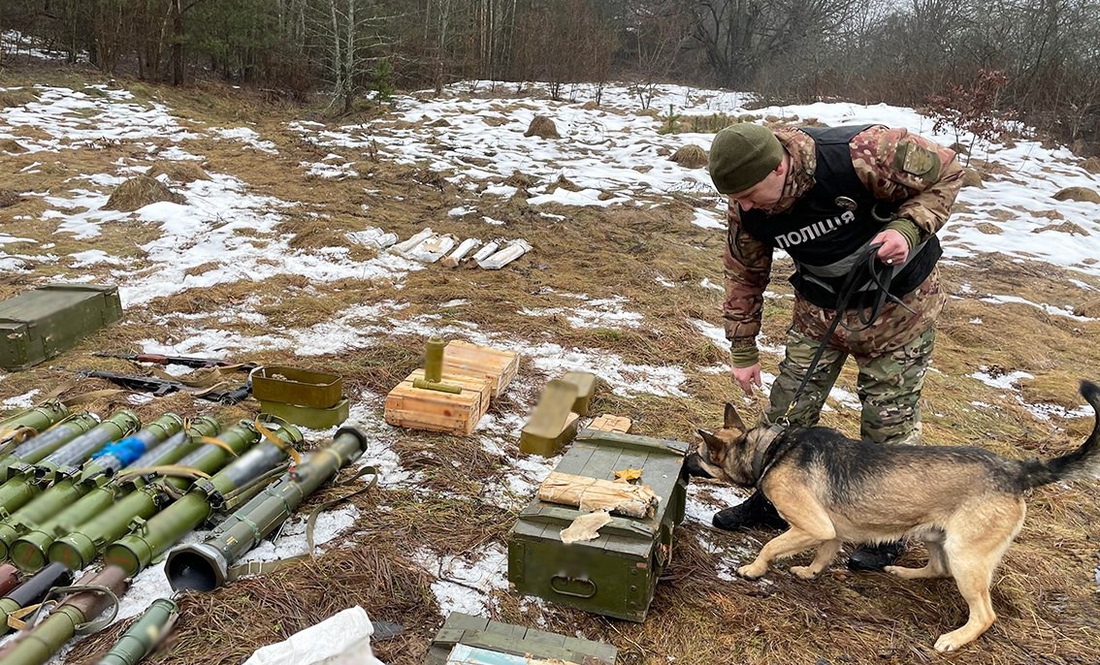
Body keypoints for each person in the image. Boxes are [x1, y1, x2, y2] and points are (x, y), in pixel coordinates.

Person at [707, 122, 963, 571]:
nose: (743, 205)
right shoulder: (746, 206)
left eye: (749, 193)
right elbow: (745, 273)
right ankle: (775, 501)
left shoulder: (860, 152)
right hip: (819, 311)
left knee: (888, 425)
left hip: (897, 309)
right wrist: (743, 348)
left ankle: (887, 528)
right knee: (787, 409)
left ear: (778, 167)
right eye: (737, 198)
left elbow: (948, 170)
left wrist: (908, 227)